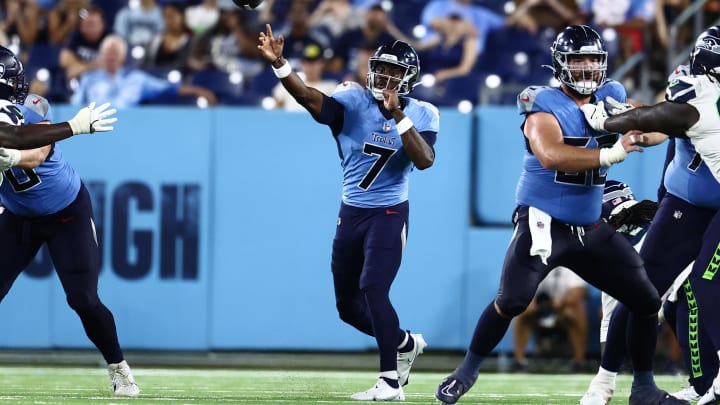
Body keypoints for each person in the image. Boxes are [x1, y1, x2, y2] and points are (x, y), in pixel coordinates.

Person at [434, 25, 687, 405]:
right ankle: (466, 369)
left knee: (647, 300)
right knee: (513, 301)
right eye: (577, 59)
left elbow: (646, 126)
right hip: (543, 223)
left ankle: (644, 388)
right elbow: (551, 154)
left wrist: (662, 120)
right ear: (559, 63)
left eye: (593, 60)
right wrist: (612, 153)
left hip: (589, 226)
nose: (586, 68)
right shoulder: (541, 103)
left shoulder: (611, 95)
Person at [258, 24, 437, 401]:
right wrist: (281, 65)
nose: (385, 77)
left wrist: (398, 115)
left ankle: (390, 381)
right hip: (351, 213)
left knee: (374, 287)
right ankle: (405, 343)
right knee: (347, 307)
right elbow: (309, 98)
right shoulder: (352, 100)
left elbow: (425, 160)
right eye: (381, 69)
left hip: (389, 213)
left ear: (409, 80)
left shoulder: (423, 113)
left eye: (394, 72)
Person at [580, 24, 720, 405]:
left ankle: (709, 382)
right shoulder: (695, 91)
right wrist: (632, 126)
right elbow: (659, 125)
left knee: (704, 289)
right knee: (641, 289)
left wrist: (614, 120)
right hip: (686, 201)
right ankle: (605, 379)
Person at [0, 93, 140, 397]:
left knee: (83, 299)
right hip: (18, 215)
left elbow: (37, 153)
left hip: (65, 212)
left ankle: (119, 368)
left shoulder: (31, 109)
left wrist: (11, 157)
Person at [0, 45, 118, 151]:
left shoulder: (34, 106)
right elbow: (14, 137)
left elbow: (41, 152)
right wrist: (73, 126)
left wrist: (16, 158)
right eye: (12, 79)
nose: (17, 84)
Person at [71, 35, 217, 108]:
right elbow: (74, 106)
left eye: (115, 53)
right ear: (101, 55)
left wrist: (199, 91)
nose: (111, 56)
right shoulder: (89, 79)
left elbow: (167, 88)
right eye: (108, 52)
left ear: (122, 57)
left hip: (127, 128)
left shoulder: (137, 79)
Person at [511, 266, 588, 372]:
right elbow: (521, 289)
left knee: (576, 312)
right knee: (522, 310)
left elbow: (579, 291)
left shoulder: (570, 265)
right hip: (537, 313)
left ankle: (578, 363)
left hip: (561, 313)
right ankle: (519, 361)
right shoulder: (535, 264)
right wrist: (528, 300)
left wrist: (562, 301)